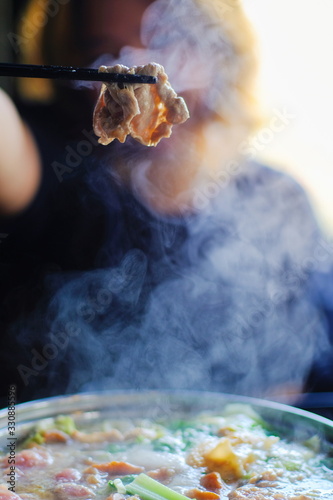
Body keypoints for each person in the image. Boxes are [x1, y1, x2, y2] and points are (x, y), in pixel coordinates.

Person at [0, 0, 332, 408]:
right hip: (45, 461)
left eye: (171, 38)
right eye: (98, 52)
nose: (140, 67)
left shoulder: (277, 201)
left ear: (224, 52)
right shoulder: (58, 165)